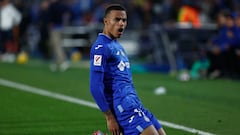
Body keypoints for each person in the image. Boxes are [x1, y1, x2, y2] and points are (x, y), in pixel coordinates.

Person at [90, 4, 166, 135]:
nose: (121, 24)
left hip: (135, 102)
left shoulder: (117, 46)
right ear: (106, 21)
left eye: (124, 20)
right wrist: (109, 116)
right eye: (117, 19)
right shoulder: (100, 47)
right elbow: (95, 86)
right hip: (123, 106)